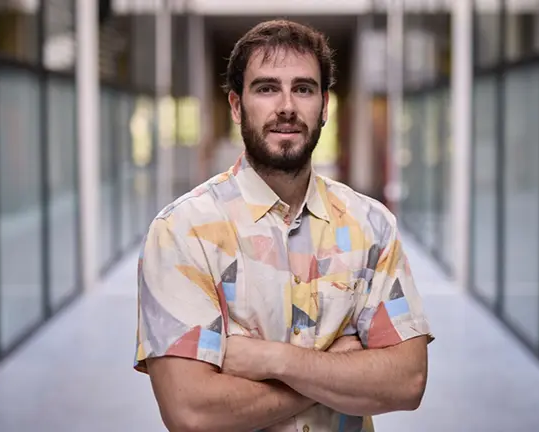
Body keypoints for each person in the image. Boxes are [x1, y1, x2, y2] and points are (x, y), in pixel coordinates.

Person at [134, 19, 434, 432]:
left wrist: (271, 360)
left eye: (304, 88)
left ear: (325, 106)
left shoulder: (372, 224)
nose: (287, 106)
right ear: (237, 106)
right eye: (267, 88)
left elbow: (407, 381)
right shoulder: (182, 232)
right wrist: (341, 365)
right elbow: (191, 412)